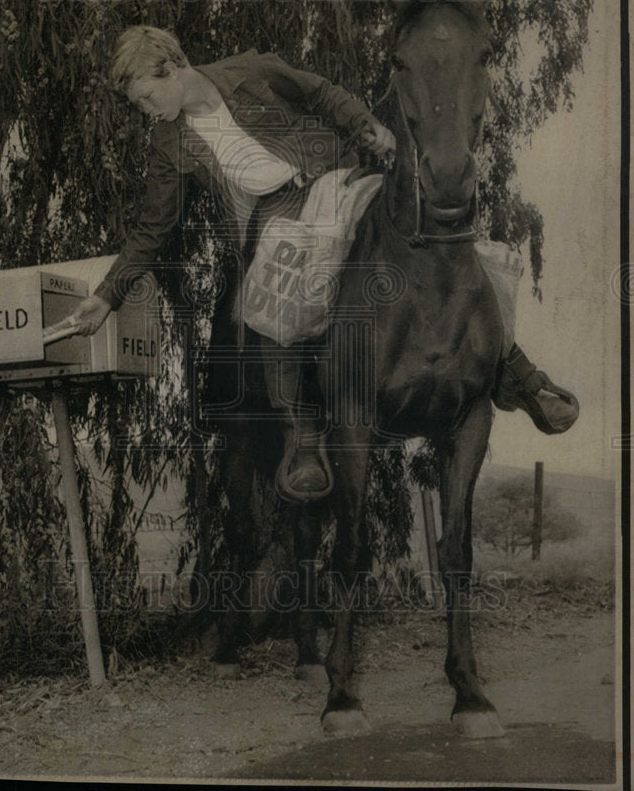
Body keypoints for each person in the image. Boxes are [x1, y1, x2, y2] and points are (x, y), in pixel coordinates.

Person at [68, 26, 578, 500]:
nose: (148, 111)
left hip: (333, 180)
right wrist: (106, 296)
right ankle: (303, 436)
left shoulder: (249, 70)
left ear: (172, 67)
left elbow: (318, 92)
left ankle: (518, 373)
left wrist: (365, 125)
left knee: (437, 230)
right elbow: (152, 229)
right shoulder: (168, 142)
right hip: (273, 222)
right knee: (264, 294)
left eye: (148, 97)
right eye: (139, 105)